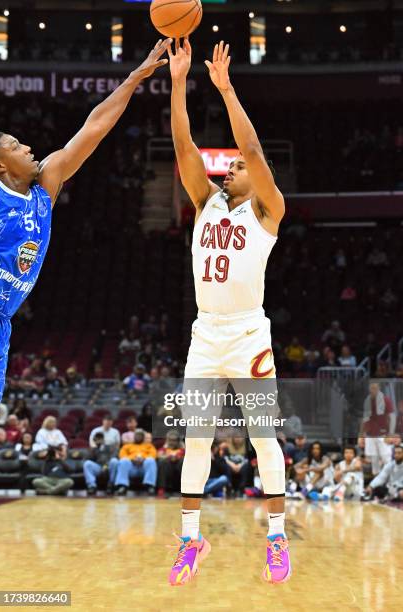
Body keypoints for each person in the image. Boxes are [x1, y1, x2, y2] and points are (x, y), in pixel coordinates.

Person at [167, 39, 289, 585]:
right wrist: (178, 83)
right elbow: (183, 145)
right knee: (195, 439)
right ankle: (192, 540)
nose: (231, 168)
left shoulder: (269, 210)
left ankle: (277, 540)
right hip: (205, 334)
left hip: (248, 334)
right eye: (230, 165)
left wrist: (225, 88)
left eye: (236, 167)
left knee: (264, 436)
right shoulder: (204, 202)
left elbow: (256, 152)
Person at [0, 39, 171, 415]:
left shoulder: (45, 187)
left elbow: (94, 128)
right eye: (14, 146)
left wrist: (135, 77)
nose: (26, 147)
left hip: (2, 322)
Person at [362, 383, 394, 475]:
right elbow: (365, 418)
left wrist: (390, 434)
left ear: (379, 388)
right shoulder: (367, 400)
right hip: (370, 435)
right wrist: (362, 434)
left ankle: (390, 481)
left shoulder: (385, 400)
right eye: (371, 388)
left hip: (383, 435)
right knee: (374, 461)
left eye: (375, 388)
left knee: (386, 459)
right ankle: (377, 485)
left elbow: (391, 417)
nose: (373, 389)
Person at [114, 429, 157, 496]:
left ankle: (150, 486)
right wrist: (132, 459)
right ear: (134, 436)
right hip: (132, 467)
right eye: (137, 435)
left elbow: (153, 455)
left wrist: (144, 459)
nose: (138, 437)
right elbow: (122, 455)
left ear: (143, 437)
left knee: (151, 461)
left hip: (144, 467)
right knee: (123, 461)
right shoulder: (127, 446)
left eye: (140, 435)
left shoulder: (149, 446)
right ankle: (122, 486)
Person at [157, 430, 185, 497]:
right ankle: (161, 489)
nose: (172, 442)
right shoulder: (164, 448)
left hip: (178, 471)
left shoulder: (183, 449)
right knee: (162, 461)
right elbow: (159, 455)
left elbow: (187, 455)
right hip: (167, 471)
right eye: (170, 440)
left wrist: (177, 457)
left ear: (178, 441)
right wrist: (168, 457)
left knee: (183, 461)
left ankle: (185, 489)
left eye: (174, 440)